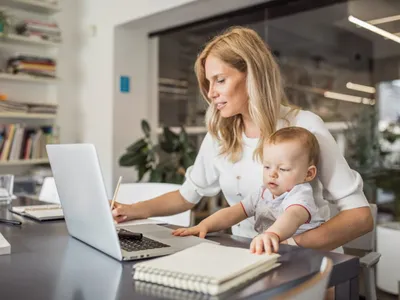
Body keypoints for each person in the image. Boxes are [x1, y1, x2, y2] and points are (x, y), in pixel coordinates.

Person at [112, 26, 373, 251]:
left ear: (252, 76)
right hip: (247, 254)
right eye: (208, 83)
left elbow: (360, 217)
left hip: (304, 257)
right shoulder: (221, 135)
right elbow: (187, 195)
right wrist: (131, 210)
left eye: (220, 80)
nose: (211, 93)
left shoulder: (303, 127)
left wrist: (290, 246)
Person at [172, 127, 325, 254]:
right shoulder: (263, 193)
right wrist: (204, 226)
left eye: (283, 169)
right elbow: (234, 212)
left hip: (306, 256)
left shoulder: (299, 193)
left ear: (308, 174)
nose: (272, 173)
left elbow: (292, 216)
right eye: (267, 167)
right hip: (278, 251)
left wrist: (273, 234)